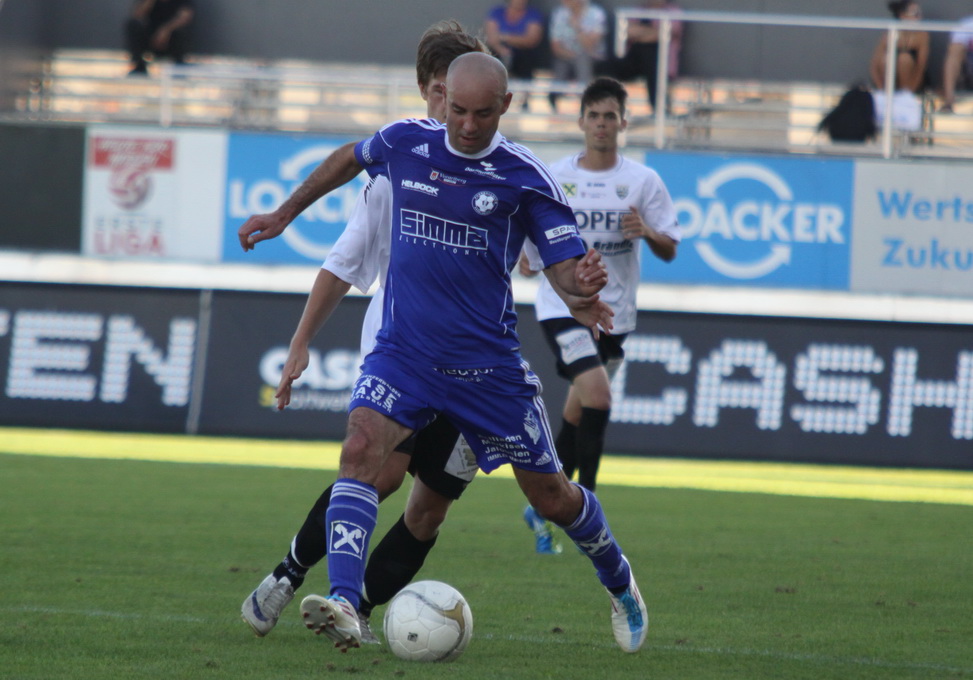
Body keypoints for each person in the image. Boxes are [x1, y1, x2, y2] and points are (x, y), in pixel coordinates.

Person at [238, 52, 648, 655]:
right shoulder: (406, 142)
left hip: (487, 371)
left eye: (483, 114)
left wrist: (580, 289)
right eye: (458, 110)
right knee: (360, 451)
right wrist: (284, 213)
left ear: (506, 106)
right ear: (443, 99)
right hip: (404, 353)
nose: (467, 125)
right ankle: (345, 602)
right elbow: (349, 157)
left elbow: (562, 270)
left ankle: (620, 581)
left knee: (551, 497)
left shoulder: (526, 177)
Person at [240, 21, 490, 645]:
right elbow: (344, 263)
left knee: (428, 511)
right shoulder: (396, 167)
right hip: (401, 354)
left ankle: (365, 612)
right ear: (428, 91)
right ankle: (293, 574)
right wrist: (300, 342)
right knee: (375, 475)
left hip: (475, 365)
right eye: (443, 92)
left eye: (465, 97)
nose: (454, 108)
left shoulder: (499, 169)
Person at [521, 77, 679, 552]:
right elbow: (529, 230)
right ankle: (587, 511)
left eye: (611, 116)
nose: (602, 124)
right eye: (594, 116)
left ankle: (542, 506)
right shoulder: (555, 177)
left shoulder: (643, 181)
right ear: (581, 121)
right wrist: (526, 256)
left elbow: (670, 248)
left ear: (623, 123)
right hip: (563, 306)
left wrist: (646, 231)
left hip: (616, 315)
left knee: (578, 412)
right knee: (599, 395)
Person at [618, 0, 683, 114]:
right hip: (633, 62)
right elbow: (628, 31)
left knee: (649, 55)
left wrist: (641, 35)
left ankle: (661, 111)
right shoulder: (638, 11)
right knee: (602, 66)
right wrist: (653, 33)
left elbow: (665, 34)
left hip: (660, 64)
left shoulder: (673, 12)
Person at [548, 0, 609, 110]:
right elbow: (556, 47)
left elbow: (590, 46)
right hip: (567, 55)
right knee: (562, 63)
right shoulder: (559, 14)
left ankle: (586, 101)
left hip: (593, 57)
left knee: (583, 59)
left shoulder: (596, 14)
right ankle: (554, 99)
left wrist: (577, 27)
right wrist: (574, 55)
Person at [869, 1, 929, 94]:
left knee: (904, 59)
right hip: (890, 84)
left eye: (920, 14)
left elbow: (921, 67)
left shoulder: (922, 35)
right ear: (902, 16)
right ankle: (887, 92)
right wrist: (880, 89)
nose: (919, 17)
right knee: (886, 59)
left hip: (913, 83)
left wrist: (909, 93)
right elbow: (875, 64)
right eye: (915, 14)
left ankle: (904, 93)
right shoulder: (890, 34)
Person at [124, 0, 195, 76]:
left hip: (172, 37)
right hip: (151, 37)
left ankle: (179, 66)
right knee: (133, 25)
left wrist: (166, 30)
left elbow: (185, 17)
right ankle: (139, 66)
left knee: (180, 32)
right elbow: (137, 15)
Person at [484, 0, 546, 82]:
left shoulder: (533, 14)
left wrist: (505, 37)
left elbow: (532, 39)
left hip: (523, 55)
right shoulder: (496, 12)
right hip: (499, 52)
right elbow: (491, 37)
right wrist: (502, 50)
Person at [940, 15, 973, 113]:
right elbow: (955, 50)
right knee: (956, 49)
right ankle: (949, 100)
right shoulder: (967, 24)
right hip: (969, 70)